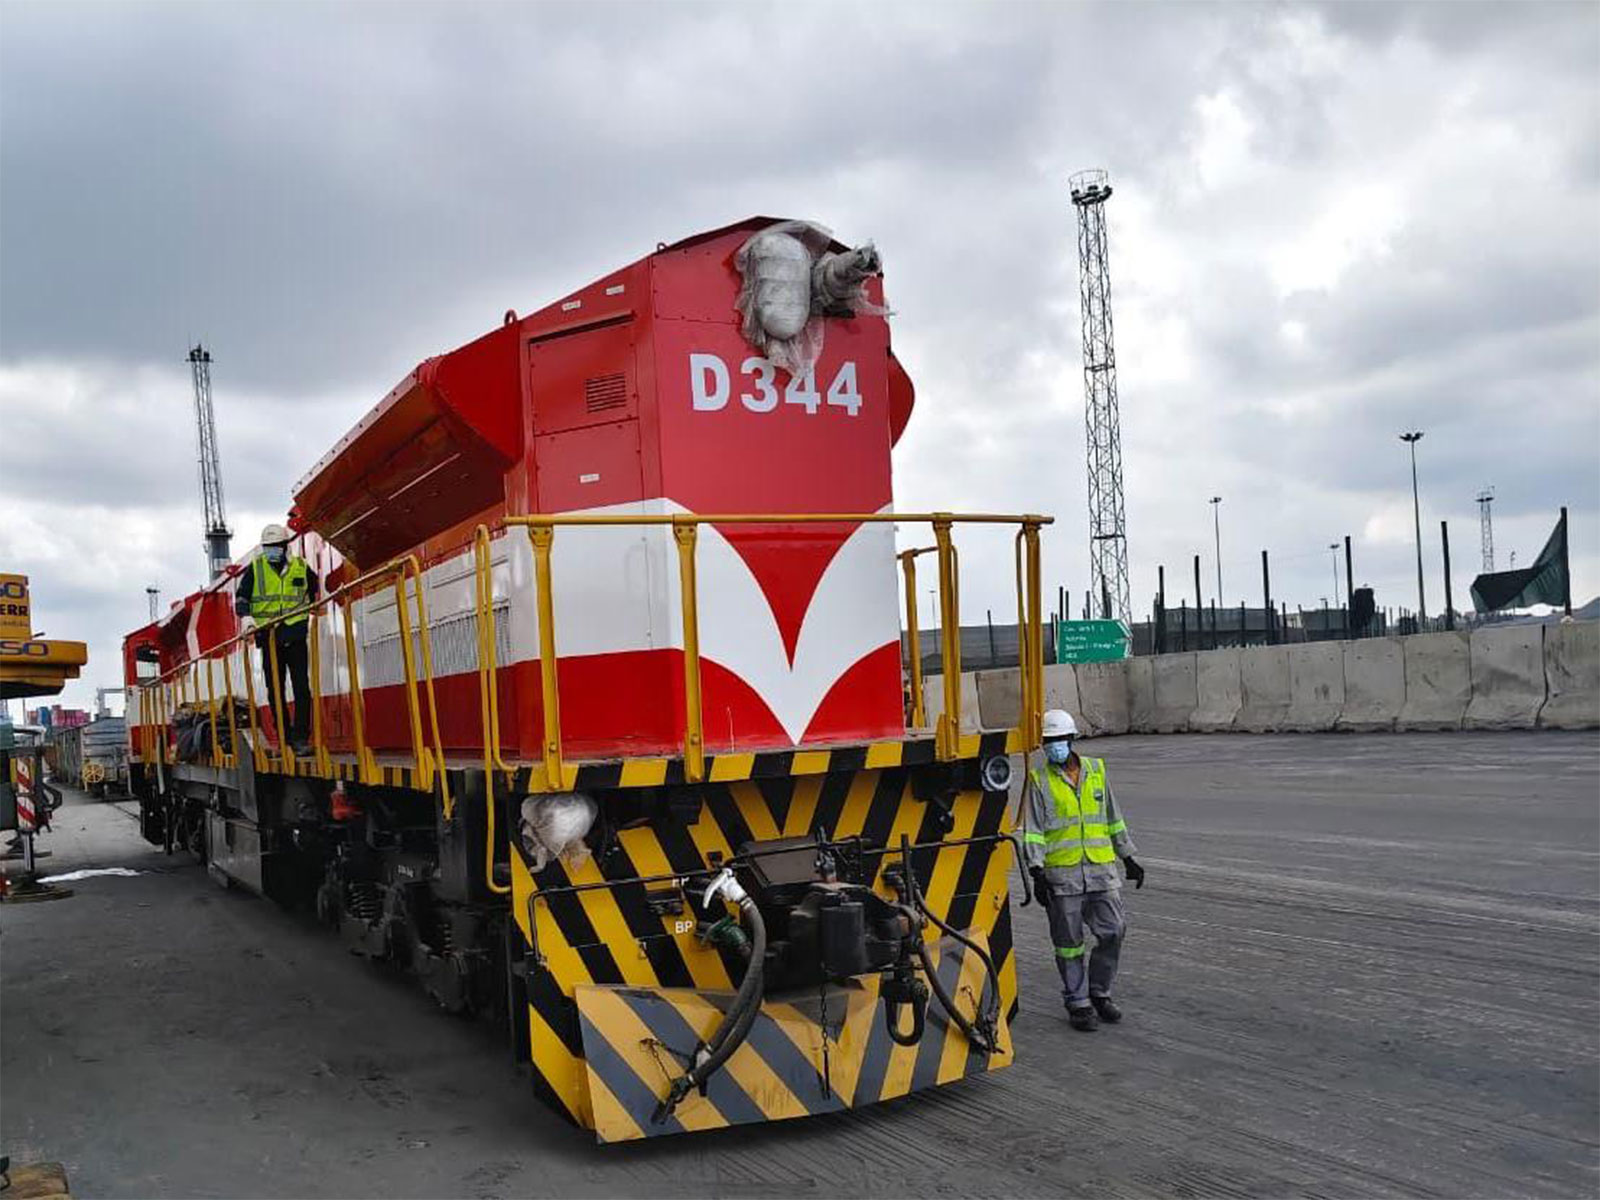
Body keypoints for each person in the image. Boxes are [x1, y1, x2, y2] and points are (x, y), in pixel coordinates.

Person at [1023, 708, 1145, 1032]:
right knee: (1069, 944)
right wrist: (1036, 872)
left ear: (1071, 739)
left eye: (1057, 740)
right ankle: (1078, 1003)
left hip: (1101, 870)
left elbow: (1113, 817)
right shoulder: (1039, 780)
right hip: (1061, 877)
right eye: (1047, 742)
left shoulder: (1096, 770)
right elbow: (1033, 830)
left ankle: (1099, 992)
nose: (1052, 747)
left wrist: (1128, 857)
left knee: (1114, 931)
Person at [234, 523, 319, 754]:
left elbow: (315, 589)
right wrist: (246, 619)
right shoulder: (255, 569)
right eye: (268, 546)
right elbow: (241, 598)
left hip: (295, 634)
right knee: (275, 690)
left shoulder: (300, 567)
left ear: (284, 546)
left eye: (276, 546)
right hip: (269, 637)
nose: (272, 550)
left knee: (302, 689)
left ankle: (300, 739)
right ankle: (284, 737)